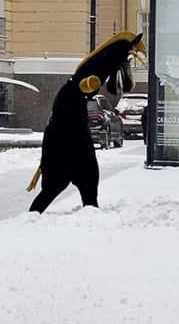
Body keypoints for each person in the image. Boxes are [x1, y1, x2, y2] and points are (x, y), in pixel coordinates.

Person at [28, 31, 146, 214]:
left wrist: (122, 58)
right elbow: (103, 71)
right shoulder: (76, 90)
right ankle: (84, 213)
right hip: (69, 136)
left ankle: (40, 216)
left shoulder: (73, 89)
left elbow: (101, 70)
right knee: (80, 180)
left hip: (67, 135)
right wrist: (123, 54)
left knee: (71, 183)